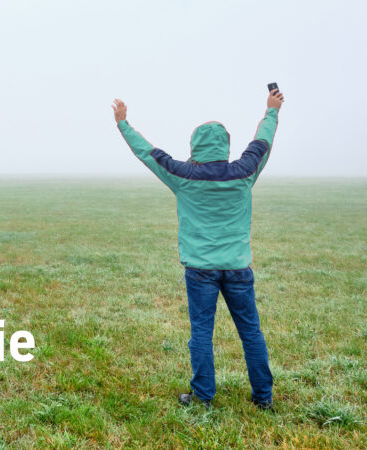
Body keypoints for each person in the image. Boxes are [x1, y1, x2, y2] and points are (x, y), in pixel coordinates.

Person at [111, 89, 284, 410]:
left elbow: (148, 153)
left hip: (200, 271)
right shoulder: (245, 171)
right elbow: (263, 142)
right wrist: (271, 110)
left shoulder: (183, 175)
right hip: (238, 268)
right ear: (225, 146)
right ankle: (264, 399)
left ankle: (203, 397)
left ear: (195, 147)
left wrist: (123, 123)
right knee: (251, 334)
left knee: (201, 333)